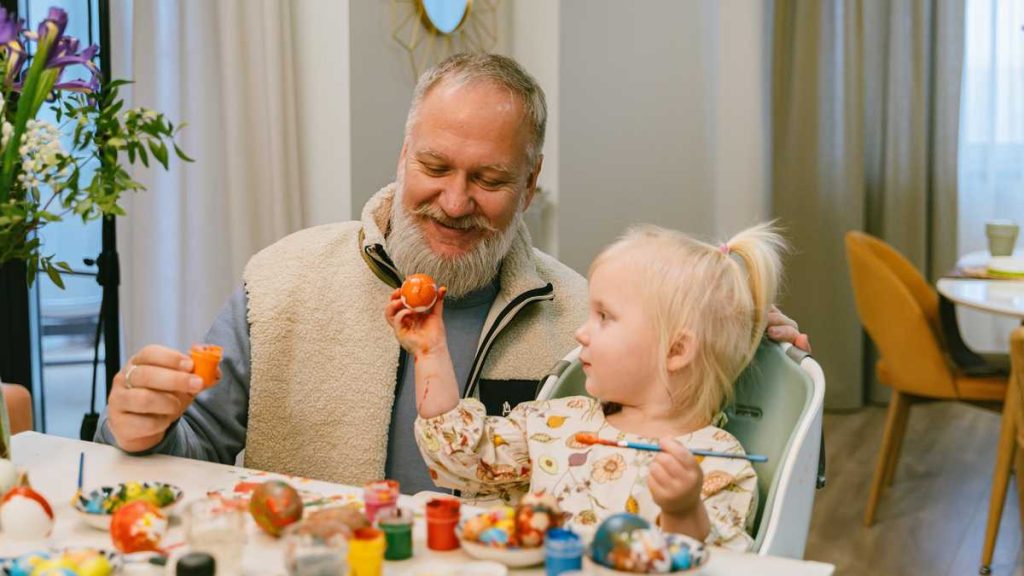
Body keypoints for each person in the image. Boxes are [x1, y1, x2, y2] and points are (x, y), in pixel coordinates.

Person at [96, 53, 806, 495]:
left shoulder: (582, 320)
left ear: (530, 186)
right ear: (402, 156)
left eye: (489, 179)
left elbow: (704, 431)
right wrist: (138, 430)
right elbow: (191, 453)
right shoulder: (282, 280)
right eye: (434, 167)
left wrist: (740, 337)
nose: (456, 202)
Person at [389, 223, 787, 550]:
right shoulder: (560, 422)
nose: (581, 333)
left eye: (604, 317)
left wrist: (684, 512)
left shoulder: (720, 464)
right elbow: (462, 456)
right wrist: (430, 352)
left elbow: (720, 564)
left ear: (676, 350)